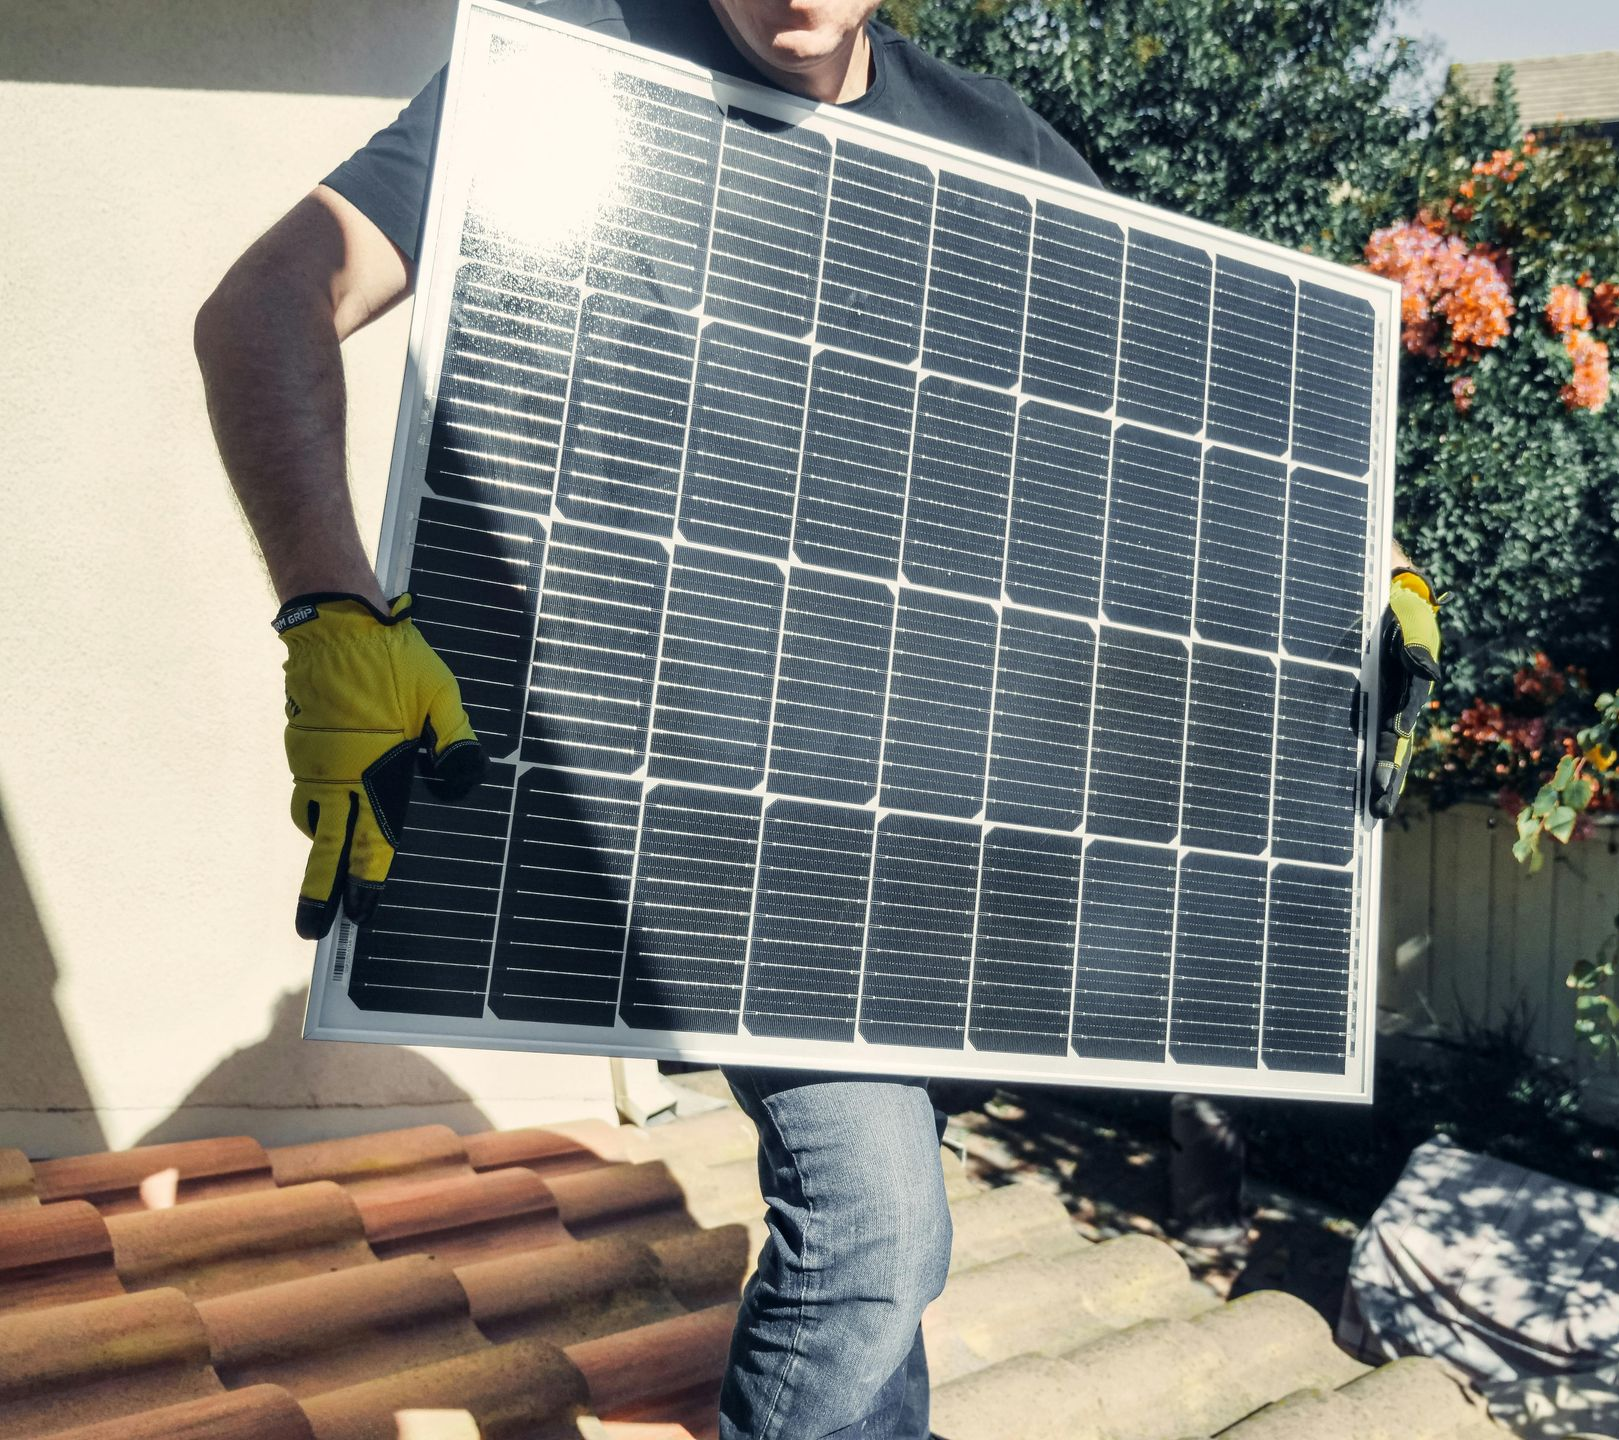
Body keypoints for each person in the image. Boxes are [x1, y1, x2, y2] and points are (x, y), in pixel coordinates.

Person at [194, 3, 1439, 1435]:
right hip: (712, 811)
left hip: (942, 833)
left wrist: (1366, 562)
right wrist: (330, 607)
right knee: (878, 1229)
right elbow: (266, 301)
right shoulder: (576, 81)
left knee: (881, 1262)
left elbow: (1192, 429)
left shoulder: (994, 147)